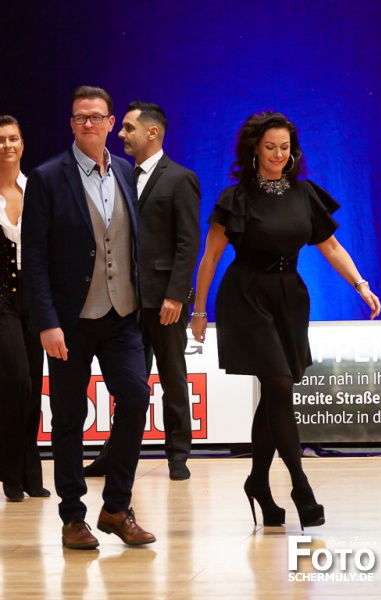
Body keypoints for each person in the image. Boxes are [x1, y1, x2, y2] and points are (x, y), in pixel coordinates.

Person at [190, 110, 381, 529]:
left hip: (289, 298)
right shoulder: (236, 198)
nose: (278, 154)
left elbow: (331, 247)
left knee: (275, 392)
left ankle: (258, 482)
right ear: (254, 150)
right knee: (278, 384)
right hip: (246, 296)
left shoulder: (304, 194)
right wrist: (199, 310)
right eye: (270, 147)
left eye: (285, 147)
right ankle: (300, 486)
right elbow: (210, 257)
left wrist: (360, 284)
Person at [21, 86, 155, 549]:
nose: (88, 124)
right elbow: (34, 258)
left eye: (97, 117)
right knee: (69, 417)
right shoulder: (47, 178)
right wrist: (46, 322)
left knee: (136, 398)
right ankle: (73, 517)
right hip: (69, 320)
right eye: (80, 117)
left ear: (112, 123)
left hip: (122, 314)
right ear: (71, 124)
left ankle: (116, 508)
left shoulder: (125, 172)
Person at [84, 101, 201, 481]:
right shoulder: (118, 175)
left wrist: (175, 295)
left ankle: (178, 455)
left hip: (164, 300)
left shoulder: (179, 178)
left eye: (128, 127)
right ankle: (113, 455)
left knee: (173, 377)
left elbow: (188, 242)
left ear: (152, 132)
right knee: (129, 383)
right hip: (126, 300)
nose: (121, 134)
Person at [0, 115, 50, 502]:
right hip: (1, 297)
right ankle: (10, 471)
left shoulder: (36, 189)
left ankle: (31, 472)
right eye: (1, 140)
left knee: (33, 385)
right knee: (17, 382)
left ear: (22, 143)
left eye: (13, 138)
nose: (7, 145)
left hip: (33, 297)